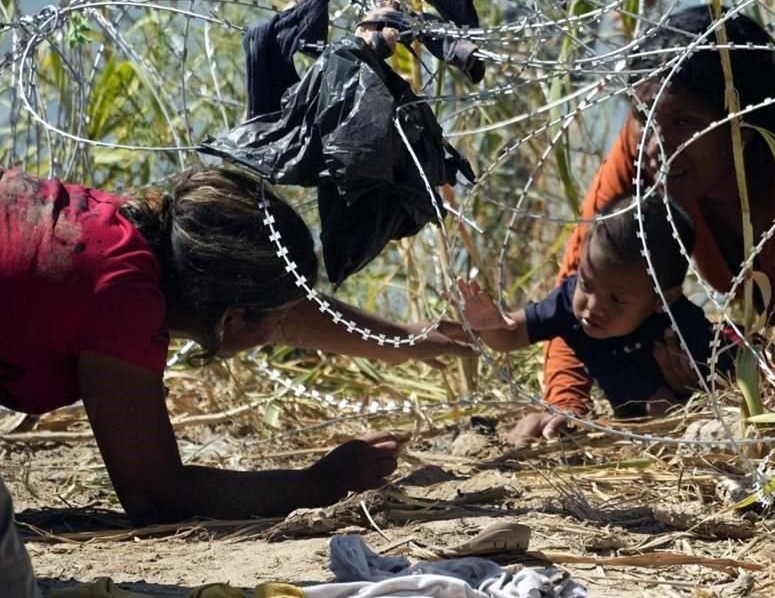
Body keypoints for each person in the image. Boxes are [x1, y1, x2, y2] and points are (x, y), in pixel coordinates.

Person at [509, 5, 775, 443]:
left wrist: (716, 386)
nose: (658, 146)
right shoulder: (648, 148)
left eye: (685, 123)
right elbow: (583, 286)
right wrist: (565, 403)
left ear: (741, 128)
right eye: (643, 116)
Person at [0, 166, 474, 526]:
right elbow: (155, 496)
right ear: (234, 319)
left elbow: (288, 308)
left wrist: (405, 340)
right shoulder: (120, 298)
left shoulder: (131, 235)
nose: (288, 325)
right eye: (279, 317)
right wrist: (320, 483)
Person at [457, 193, 731, 419]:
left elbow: (727, 384)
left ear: (663, 299)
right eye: (587, 284)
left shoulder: (681, 326)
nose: (593, 306)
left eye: (617, 299)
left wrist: (688, 401)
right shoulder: (568, 302)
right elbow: (510, 334)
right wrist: (490, 326)